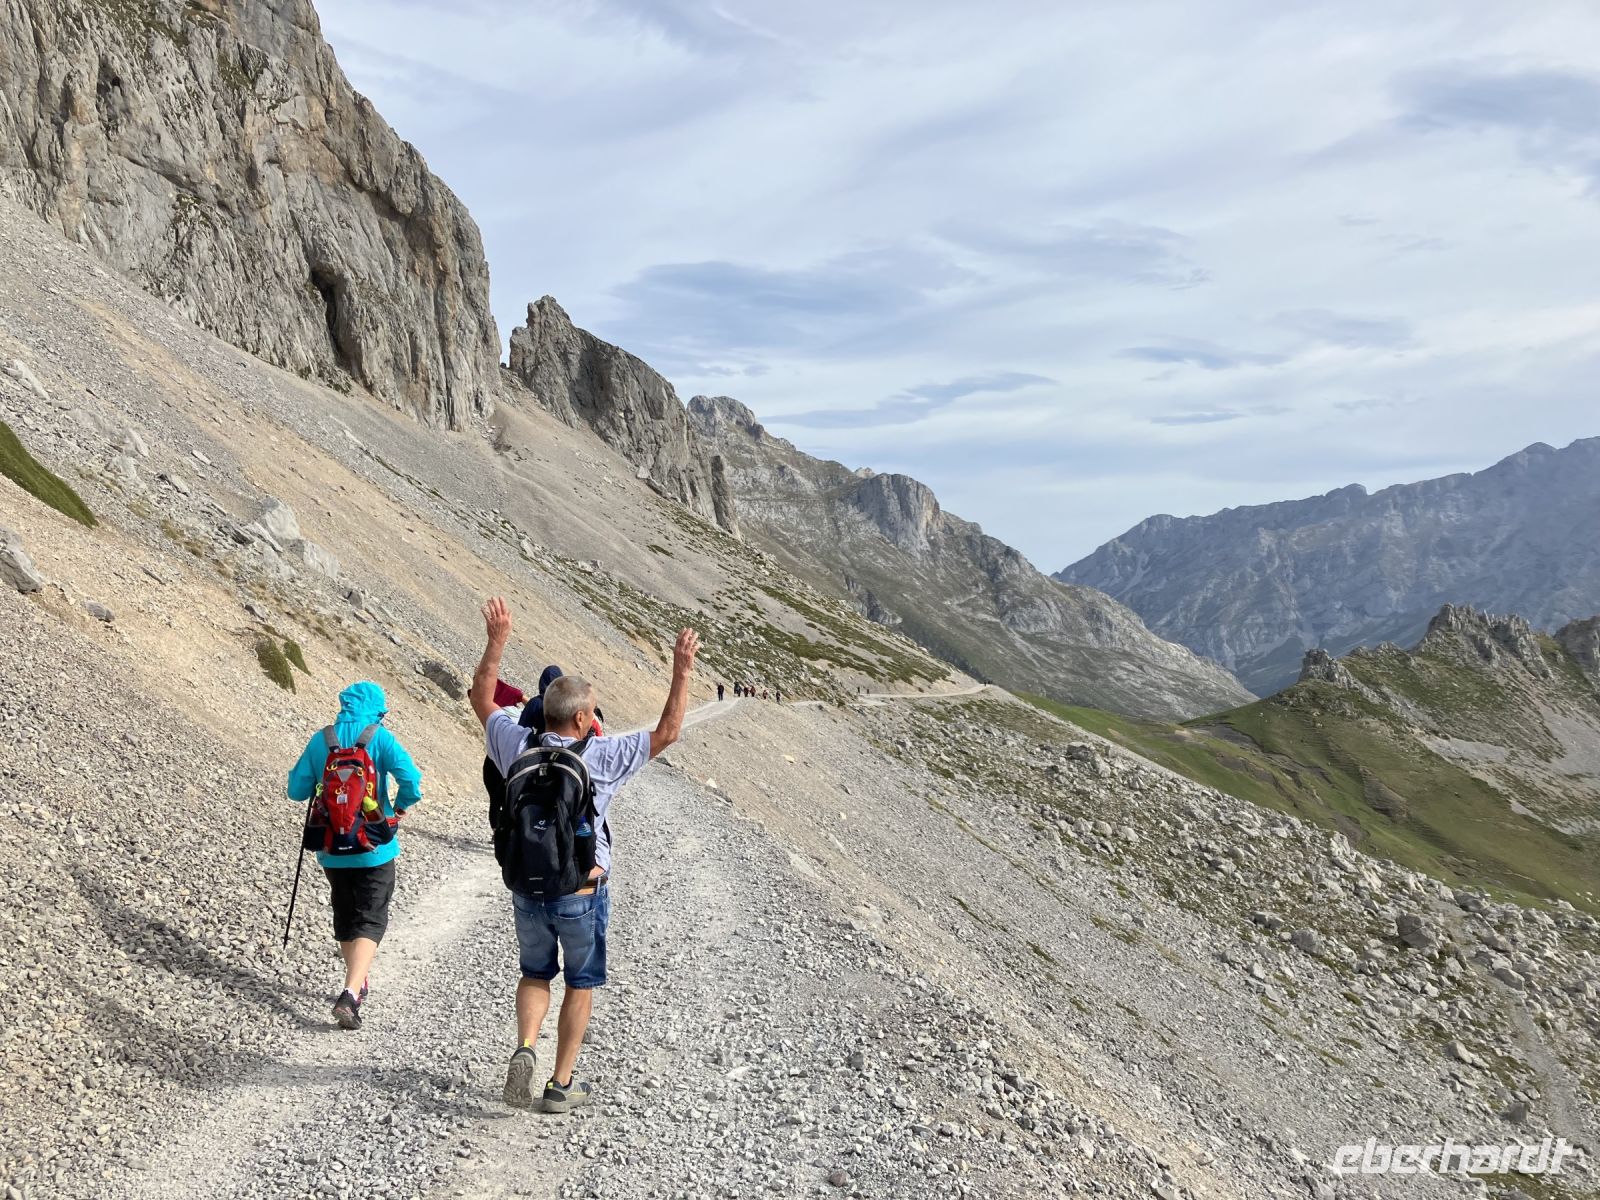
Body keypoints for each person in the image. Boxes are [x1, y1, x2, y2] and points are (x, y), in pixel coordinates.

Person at [469, 597, 700, 1114]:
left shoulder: (513, 744)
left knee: (534, 973)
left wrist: (497, 639)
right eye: (593, 712)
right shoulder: (601, 755)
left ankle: (526, 1046)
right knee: (580, 981)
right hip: (582, 889)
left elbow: (482, 697)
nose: (596, 719)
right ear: (580, 717)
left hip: (527, 888)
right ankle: (560, 1084)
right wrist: (681, 671)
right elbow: (668, 732)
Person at [287, 682, 422, 1030]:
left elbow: (295, 789)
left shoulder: (323, 739)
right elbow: (412, 780)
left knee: (346, 917)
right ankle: (350, 992)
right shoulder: (380, 737)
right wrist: (400, 809)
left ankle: (358, 982)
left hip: (332, 848)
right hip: (375, 847)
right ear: (378, 709)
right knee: (371, 919)